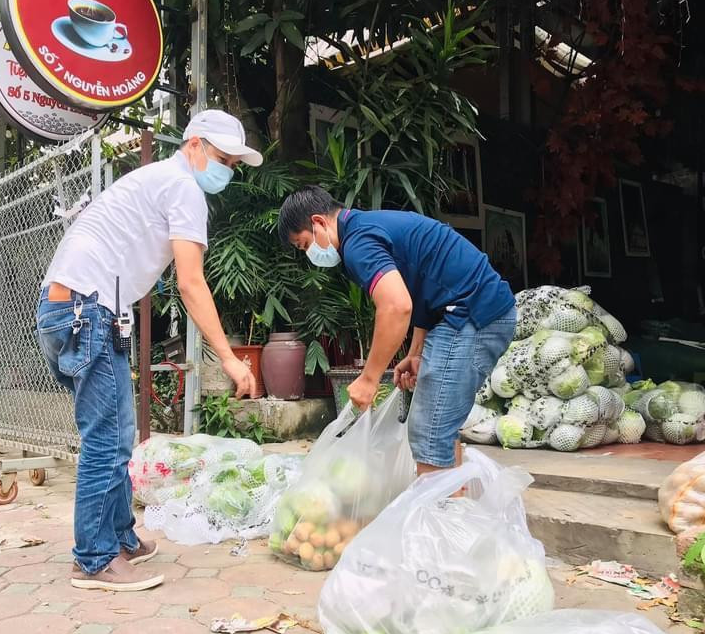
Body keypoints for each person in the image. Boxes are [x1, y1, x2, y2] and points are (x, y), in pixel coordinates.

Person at [36, 110, 263, 591]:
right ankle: (94, 559)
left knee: (116, 437)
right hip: (86, 311)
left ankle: (121, 538)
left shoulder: (155, 179)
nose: (227, 170)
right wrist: (227, 356)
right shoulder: (183, 186)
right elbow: (191, 282)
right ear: (195, 145)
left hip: (69, 310)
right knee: (107, 440)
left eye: (234, 164)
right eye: (224, 158)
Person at [278, 186, 516, 475]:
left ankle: (436, 514)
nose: (310, 255)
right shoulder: (366, 226)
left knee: (429, 428)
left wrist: (369, 379)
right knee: (438, 426)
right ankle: (450, 508)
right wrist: (415, 352)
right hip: (466, 311)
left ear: (318, 222)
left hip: (473, 314)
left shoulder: (358, 243)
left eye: (305, 245)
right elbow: (424, 290)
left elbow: (396, 306)